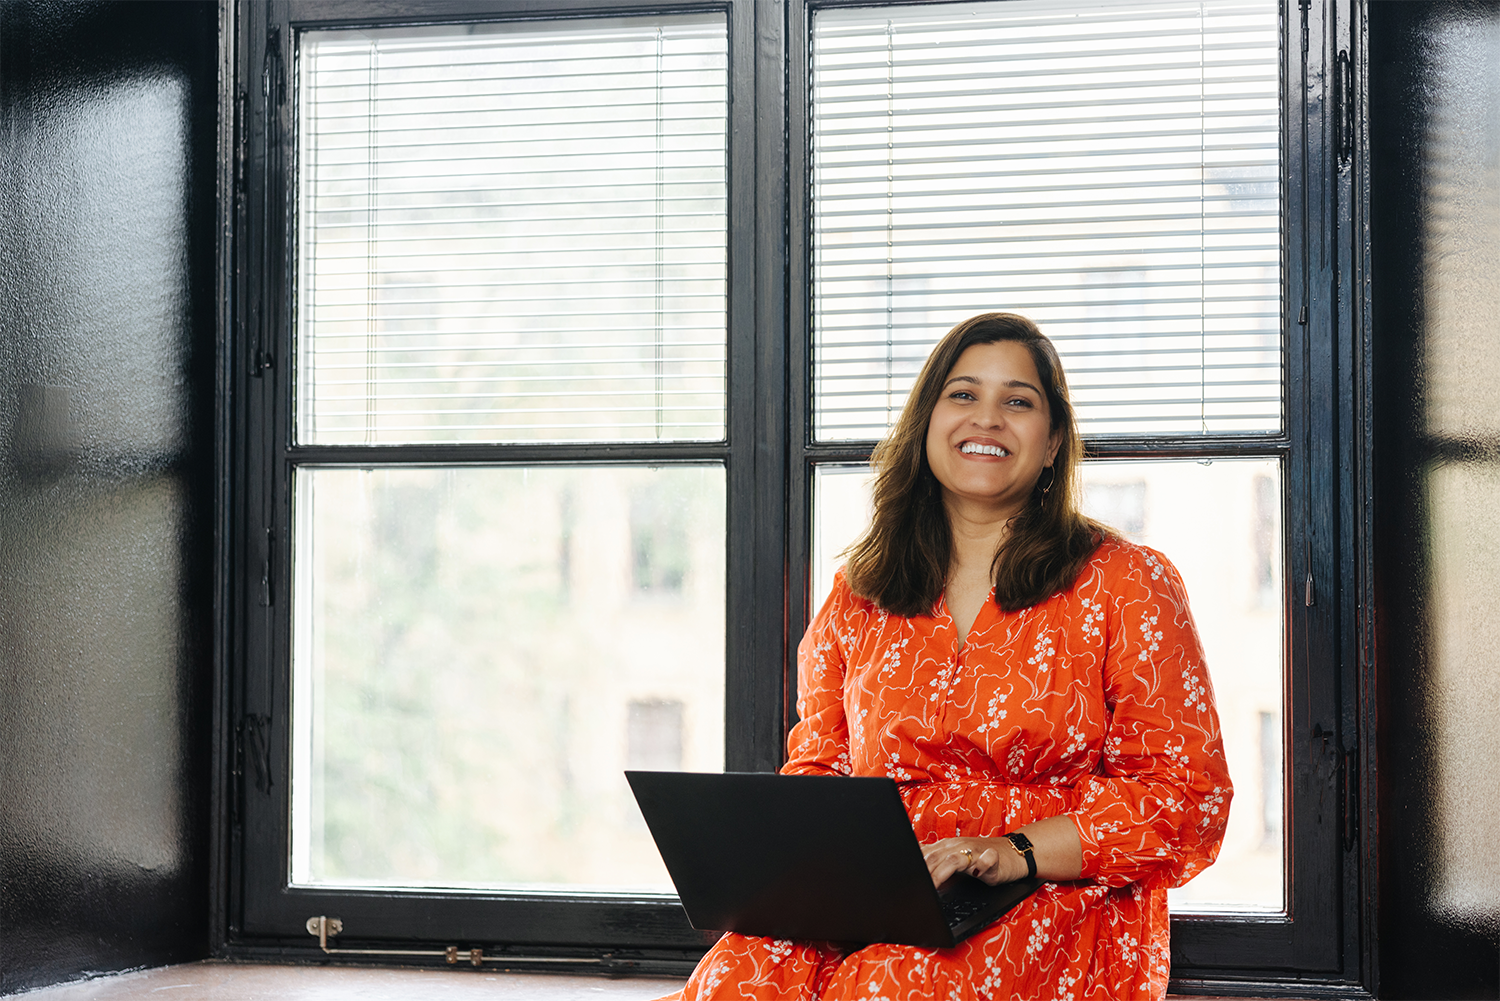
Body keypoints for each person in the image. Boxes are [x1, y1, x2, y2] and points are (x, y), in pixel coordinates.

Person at [666, 312, 1232, 1001]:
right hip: (872, 890)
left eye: (1017, 401)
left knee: (889, 988)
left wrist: (1011, 850)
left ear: (1053, 442)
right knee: (735, 979)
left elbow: (1186, 797)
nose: (986, 418)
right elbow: (821, 767)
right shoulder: (859, 591)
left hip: (1048, 892)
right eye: (963, 395)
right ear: (926, 422)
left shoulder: (1126, 581)